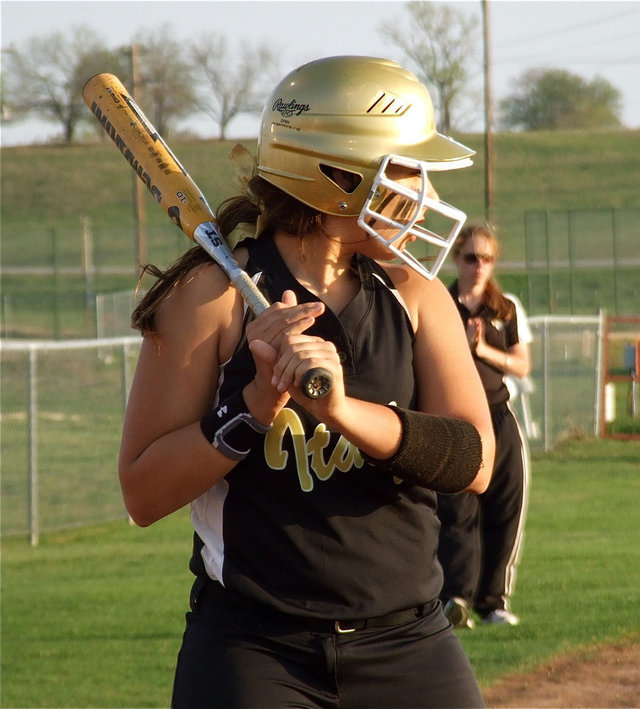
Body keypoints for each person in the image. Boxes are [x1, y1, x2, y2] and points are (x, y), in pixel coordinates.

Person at [117, 56, 495, 709]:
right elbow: (142, 492)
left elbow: (475, 460)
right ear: (338, 177)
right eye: (406, 169)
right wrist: (254, 405)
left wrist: (341, 410)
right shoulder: (210, 297)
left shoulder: (417, 294)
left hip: (409, 641)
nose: (424, 192)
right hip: (254, 649)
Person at [437, 223, 532, 628]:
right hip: (454, 418)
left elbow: (522, 365)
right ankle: (456, 597)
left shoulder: (504, 308)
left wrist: (482, 350)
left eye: (487, 258)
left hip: (498, 414)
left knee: (504, 508)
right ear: (457, 258)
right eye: (471, 257)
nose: (479, 266)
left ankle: (493, 603)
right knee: (457, 511)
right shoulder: (440, 302)